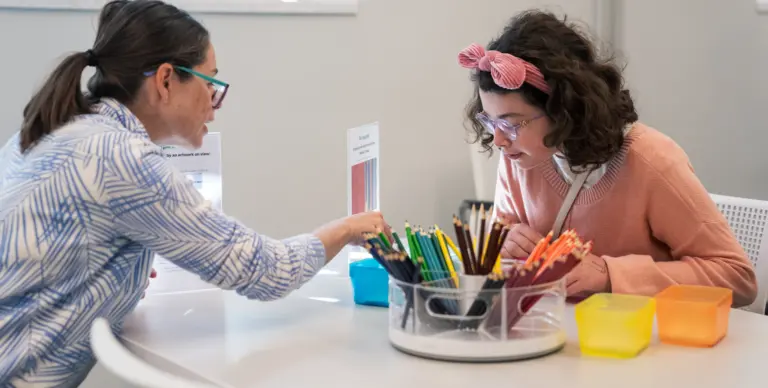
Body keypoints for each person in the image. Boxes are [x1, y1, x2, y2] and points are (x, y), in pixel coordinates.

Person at [0, 1, 390, 385]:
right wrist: (348, 228)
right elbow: (266, 270)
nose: (214, 107)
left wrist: (124, 272)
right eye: (211, 85)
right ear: (166, 80)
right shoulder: (121, 157)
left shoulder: (54, 127)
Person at [457, 10, 757, 307]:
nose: (498, 140)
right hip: (559, 336)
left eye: (511, 123)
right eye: (491, 122)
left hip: (641, 342)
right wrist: (503, 242)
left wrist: (608, 274)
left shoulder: (651, 161)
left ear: (564, 108)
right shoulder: (520, 156)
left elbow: (738, 278)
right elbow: (497, 243)